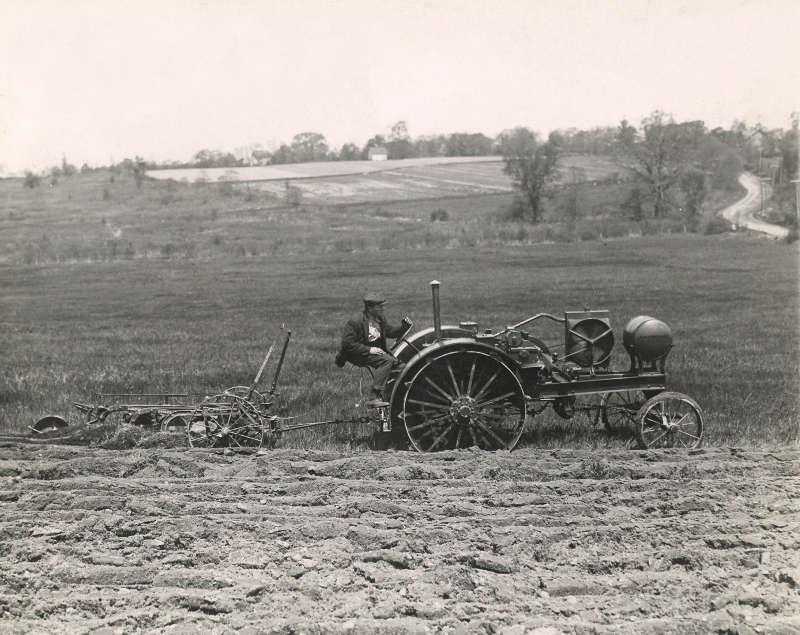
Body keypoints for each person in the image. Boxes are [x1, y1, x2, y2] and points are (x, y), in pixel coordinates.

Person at [335, 292, 410, 407]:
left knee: (402, 368)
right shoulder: (356, 321)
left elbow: (389, 332)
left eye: (383, 306)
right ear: (370, 308)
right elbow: (347, 344)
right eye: (380, 307)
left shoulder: (379, 319)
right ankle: (373, 398)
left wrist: (403, 328)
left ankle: (394, 395)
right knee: (387, 361)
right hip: (356, 354)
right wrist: (369, 350)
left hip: (374, 352)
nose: (383, 309)